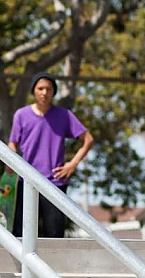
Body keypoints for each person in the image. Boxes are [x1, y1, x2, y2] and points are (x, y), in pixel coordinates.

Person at [8, 72, 94, 238]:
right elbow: (13, 143)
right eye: (40, 88)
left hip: (55, 182)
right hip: (27, 181)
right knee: (23, 232)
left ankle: (53, 264)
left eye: (48, 89)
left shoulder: (64, 115)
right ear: (34, 91)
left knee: (54, 233)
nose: (44, 93)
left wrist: (72, 164)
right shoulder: (21, 115)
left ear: (54, 92)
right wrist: (11, 161)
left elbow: (88, 139)